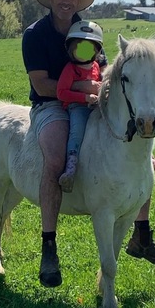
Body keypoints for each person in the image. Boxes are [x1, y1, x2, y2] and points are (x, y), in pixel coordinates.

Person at [22, 0, 155, 287]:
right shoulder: (35, 34)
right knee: (54, 159)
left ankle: (142, 233)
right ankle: (49, 244)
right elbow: (41, 83)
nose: (66, 0)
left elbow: (103, 71)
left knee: (136, 154)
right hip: (51, 104)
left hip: (88, 103)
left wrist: (103, 91)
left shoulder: (88, 31)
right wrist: (83, 90)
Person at [56, 20, 104, 192]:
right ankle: (71, 166)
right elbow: (61, 93)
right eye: (79, 47)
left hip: (96, 106)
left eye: (88, 48)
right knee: (77, 133)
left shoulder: (96, 67)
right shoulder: (70, 69)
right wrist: (84, 97)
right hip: (77, 108)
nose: (83, 52)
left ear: (96, 50)